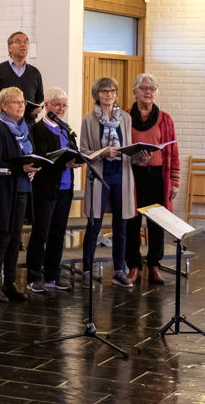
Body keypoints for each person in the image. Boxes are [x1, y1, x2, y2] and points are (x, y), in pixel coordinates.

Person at [79, 77, 137, 289]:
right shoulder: (88, 119)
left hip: (121, 174)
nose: (108, 94)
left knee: (121, 226)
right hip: (100, 175)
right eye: (104, 91)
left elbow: (129, 146)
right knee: (94, 224)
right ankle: (86, 271)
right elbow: (83, 151)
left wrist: (139, 154)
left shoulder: (126, 119)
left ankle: (119, 271)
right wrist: (103, 152)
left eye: (112, 90)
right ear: (97, 94)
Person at [0, 87, 41, 302]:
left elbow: (30, 153)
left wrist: (34, 168)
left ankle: (9, 283)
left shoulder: (25, 126)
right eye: (15, 102)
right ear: (4, 106)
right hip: (3, 189)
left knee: (16, 238)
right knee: (2, 236)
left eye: (22, 102)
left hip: (22, 187)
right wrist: (22, 169)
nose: (21, 105)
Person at [25, 88, 83, 293]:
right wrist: (63, 165)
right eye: (57, 104)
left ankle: (52, 274)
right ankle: (34, 275)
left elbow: (73, 150)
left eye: (64, 105)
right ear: (47, 106)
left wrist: (77, 160)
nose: (61, 109)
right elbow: (40, 158)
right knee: (41, 232)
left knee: (58, 233)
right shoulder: (38, 129)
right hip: (46, 187)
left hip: (65, 187)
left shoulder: (65, 128)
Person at [124, 73, 180, 285]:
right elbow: (120, 147)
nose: (148, 92)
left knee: (157, 222)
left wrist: (174, 181)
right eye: (144, 88)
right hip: (133, 175)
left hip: (158, 175)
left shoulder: (165, 119)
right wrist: (134, 159)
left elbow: (173, 150)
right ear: (135, 91)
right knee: (132, 222)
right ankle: (134, 266)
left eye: (152, 89)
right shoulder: (125, 117)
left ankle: (154, 265)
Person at [0, 31, 44, 118]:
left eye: (26, 42)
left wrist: (37, 108)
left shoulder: (35, 72)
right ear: (10, 48)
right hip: (5, 124)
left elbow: (39, 99)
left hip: (28, 124)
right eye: (18, 42)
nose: (23, 45)